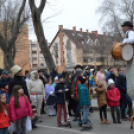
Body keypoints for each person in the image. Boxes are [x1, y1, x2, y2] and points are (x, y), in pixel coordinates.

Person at [120, 21, 134, 116]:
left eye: (124, 26)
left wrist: (123, 42)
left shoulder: (130, 32)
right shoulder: (126, 34)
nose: (122, 28)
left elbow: (132, 40)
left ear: (127, 27)